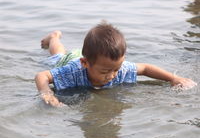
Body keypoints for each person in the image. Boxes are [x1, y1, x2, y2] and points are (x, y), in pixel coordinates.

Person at [35, 22, 197, 107]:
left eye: (116, 69)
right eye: (105, 71)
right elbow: (42, 75)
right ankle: (54, 37)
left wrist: (173, 78)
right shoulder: (73, 71)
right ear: (86, 63)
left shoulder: (119, 69)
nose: (112, 75)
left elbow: (145, 68)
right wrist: (47, 93)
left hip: (89, 59)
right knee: (58, 54)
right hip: (70, 59)